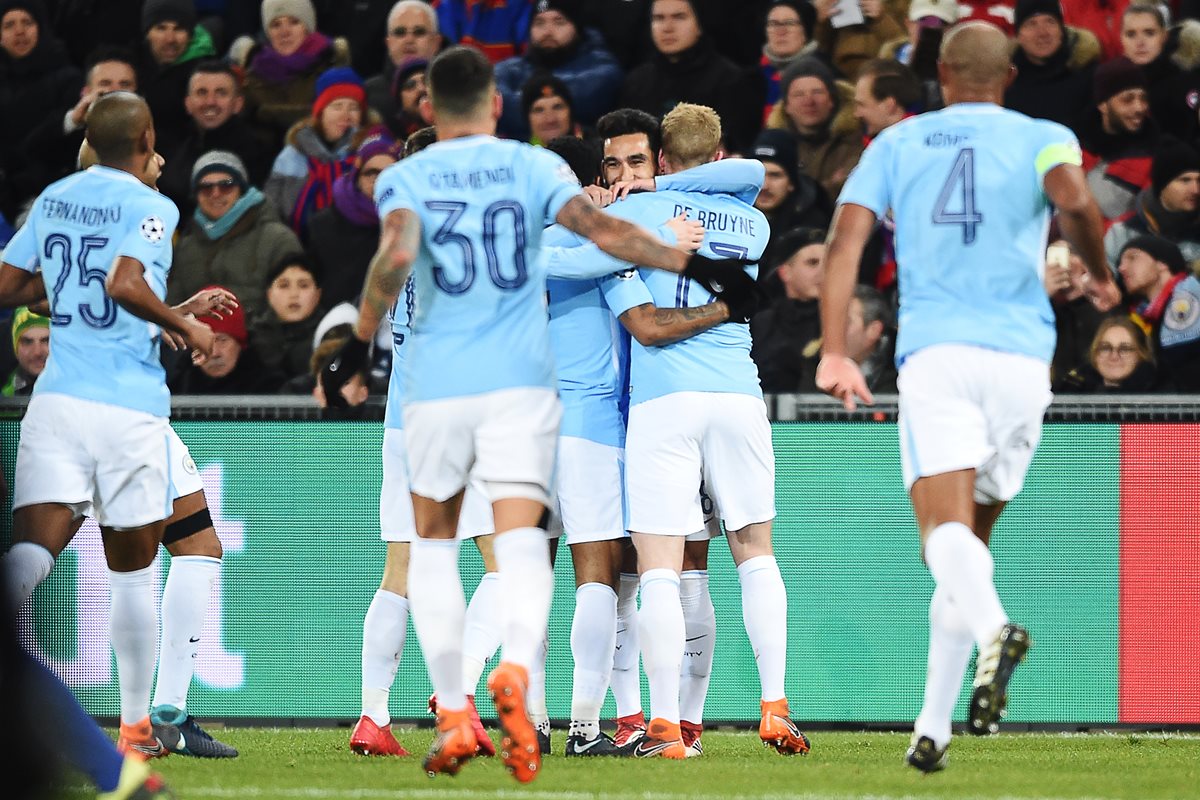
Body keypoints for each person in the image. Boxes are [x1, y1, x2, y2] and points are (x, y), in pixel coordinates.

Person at [320, 46, 754, 782]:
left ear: (429, 108)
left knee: (428, 553)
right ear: (496, 104)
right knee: (528, 559)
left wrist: (357, 348)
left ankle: (454, 707)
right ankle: (534, 693)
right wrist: (681, 256)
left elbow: (390, 260)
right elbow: (605, 241)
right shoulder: (533, 173)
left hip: (427, 396)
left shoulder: (404, 176)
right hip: (519, 397)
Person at [819, 21, 1122, 772]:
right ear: (1009, 75)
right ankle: (933, 728)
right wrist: (1099, 268)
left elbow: (846, 240)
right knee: (969, 549)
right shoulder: (1044, 132)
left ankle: (994, 631)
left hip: (940, 354)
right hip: (1024, 360)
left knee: (941, 540)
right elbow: (1077, 202)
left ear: (942, 76)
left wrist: (832, 348)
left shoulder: (898, 143)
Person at [565, 102, 808, 761]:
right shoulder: (754, 224)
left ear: (661, 159)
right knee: (756, 550)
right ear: (719, 150)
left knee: (661, 570)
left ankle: (667, 727)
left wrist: (640, 193)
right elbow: (748, 175)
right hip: (738, 394)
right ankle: (775, 704)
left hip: (663, 400)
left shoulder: (633, 214)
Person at [0, 90, 215, 758]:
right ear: (147, 136)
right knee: (134, 572)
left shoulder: (54, 199)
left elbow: (9, 286)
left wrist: (60, 292)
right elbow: (124, 285)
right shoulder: (153, 206)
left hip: (56, 402)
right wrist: (186, 323)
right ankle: (135, 729)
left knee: (32, 553)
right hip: (125, 408)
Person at [168, 150, 303, 319]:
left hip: (261, 342)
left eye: (226, 185)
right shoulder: (185, 246)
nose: (216, 193)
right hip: (197, 341)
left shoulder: (278, 239)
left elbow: (293, 303)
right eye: (205, 187)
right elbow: (174, 306)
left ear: (242, 190)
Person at [619, 0, 764, 155]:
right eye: (659, 18)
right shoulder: (636, 82)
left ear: (700, 23)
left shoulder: (730, 81)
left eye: (679, 17)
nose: (667, 28)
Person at [265, 67, 379, 236]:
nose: (346, 115)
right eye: (337, 106)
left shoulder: (372, 152)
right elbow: (272, 206)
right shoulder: (293, 154)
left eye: (353, 108)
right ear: (321, 112)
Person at [159, 61, 275, 218]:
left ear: (238, 104)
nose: (210, 102)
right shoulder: (170, 150)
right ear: (188, 103)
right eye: (201, 92)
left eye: (221, 93)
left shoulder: (260, 152)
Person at [495, 0, 623, 141]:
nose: (548, 31)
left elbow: (584, 101)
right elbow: (493, 101)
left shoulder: (602, 67)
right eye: (539, 23)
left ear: (576, 27)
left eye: (559, 22)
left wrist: (521, 97)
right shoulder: (510, 69)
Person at [0, 0, 82, 219]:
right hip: (8, 193)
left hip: (60, 190)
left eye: (27, 22)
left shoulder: (68, 78)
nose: (19, 31)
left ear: (41, 27)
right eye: (9, 25)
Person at [233, 0, 352, 149]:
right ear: (268, 32)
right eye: (276, 25)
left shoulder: (333, 67)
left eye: (294, 22)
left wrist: (266, 114)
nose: (285, 32)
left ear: (307, 27)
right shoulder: (252, 75)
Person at [307, 129, 404, 308]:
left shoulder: (409, 224)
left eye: (389, 174)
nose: (380, 181)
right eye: (372, 173)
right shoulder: (321, 225)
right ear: (357, 175)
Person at [766, 57, 864, 201]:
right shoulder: (772, 145)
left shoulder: (855, 142)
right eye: (799, 94)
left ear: (832, 100)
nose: (809, 101)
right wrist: (831, 185)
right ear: (786, 105)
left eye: (817, 92)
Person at [1078, 56, 1158, 223]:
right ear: (1103, 105)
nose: (1139, 107)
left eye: (1143, 98)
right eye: (1127, 99)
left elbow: (1144, 223)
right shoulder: (1074, 149)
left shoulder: (1157, 156)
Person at [1003, 0, 1100, 134]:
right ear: (1018, 36)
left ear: (1062, 30)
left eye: (1050, 22)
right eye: (1031, 24)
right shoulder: (1006, 83)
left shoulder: (1090, 76)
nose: (1042, 33)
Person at [1117, 234, 1200, 390]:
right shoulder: (1150, 313)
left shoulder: (1188, 297)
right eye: (1120, 262)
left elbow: (1182, 367)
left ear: (1162, 263)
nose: (1121, 268)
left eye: (1132, 258)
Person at [1105, 139, 1200, 271]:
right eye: (1185, 180)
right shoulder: (1123, 232)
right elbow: (1105, 283)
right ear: (1162, 186)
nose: (1196, 190)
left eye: (1199, 181)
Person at [136, 0, 218, 154]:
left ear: (191, 34)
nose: (170, 39)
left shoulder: (206, 72)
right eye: (161, 28)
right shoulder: (130, 67)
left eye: (179, 29)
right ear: (147, 33)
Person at [751, 228, 826, 392]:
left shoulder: (845, 319)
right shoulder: (759, 324)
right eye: (812, 263)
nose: (823, 271)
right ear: (785, 272)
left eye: (829, 263)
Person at [171, 291, 283, 394]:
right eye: (203, 340)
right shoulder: (175, 388)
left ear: (240, 344)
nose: (214, 353)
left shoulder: (268, 390)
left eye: (222, 340)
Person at [250, 255, 325, 387]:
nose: (294, 294)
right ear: (269, 294)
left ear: (318, 294)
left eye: (304, 286)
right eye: (284, 286)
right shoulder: (252, 338)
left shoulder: (329, 336)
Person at [365, 0, 443, 126]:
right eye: (400, 32)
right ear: (388, 42)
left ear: (436, 42)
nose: (409, 40)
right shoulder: (368, 94)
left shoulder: (453, 88)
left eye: (419, 32)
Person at [1058, 315, 1156, 392]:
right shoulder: (1071, 388)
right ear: (1094, 354)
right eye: (1105, 348)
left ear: (1141, 355)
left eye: (1125, 349)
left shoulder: (1159, 395)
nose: (1114, 356)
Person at [812, 0, 905, 80]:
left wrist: (881, 18)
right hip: (840, 73)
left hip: (885, 72)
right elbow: (821, 47)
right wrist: (821, 21)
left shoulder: (900, 4)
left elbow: (905, 46)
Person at [759, 0, 819, 125]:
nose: (781, 31)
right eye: (774, 24)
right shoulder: (749, 79)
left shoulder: (824, 75)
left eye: (790, 23)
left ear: (805, 33)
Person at [854, 58, 921, 139]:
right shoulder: (857, 142)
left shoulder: (918, 146)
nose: (856, 114)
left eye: (862, 105)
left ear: (889, 105)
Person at [522, 74, 590, 145]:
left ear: (571, 112)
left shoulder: (598, 150)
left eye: (557, 107)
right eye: (539, 110)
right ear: (527, 118)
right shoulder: (517, 154)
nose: (550, 119)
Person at [2, 305, 47, 396]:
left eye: (46, 341)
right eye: (27, 342)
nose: (37, 352)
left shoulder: (79, 396)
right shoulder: (4, 395)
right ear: (15, 347)